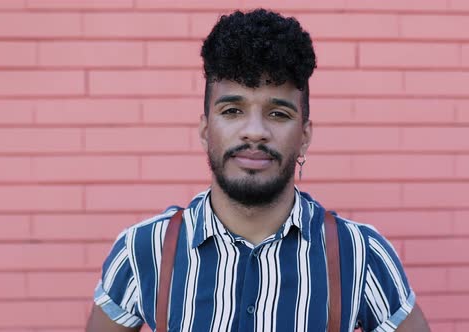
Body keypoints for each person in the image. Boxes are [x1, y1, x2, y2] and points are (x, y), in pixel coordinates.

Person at [86, 8, 430, 332]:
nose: (255, 131)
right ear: (206, 130)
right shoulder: (144, 248)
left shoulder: (361, 252)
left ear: (305, 136)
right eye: (232, 110)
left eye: (278, 114)